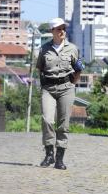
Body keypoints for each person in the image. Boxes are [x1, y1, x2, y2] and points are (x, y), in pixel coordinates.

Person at [36, 17, 84, 170]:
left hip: (66, 88)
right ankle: (49, 153)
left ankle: (59, 158)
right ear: (52, 31)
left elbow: (78, 70)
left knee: (63, 124)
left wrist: (72, 84)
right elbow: (40, 69)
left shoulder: (73, 48)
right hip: (48, 88)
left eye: (63, 28)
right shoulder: (44, 49)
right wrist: (43, 85)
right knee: (47, 120)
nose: (62, 31)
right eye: (58, 29)